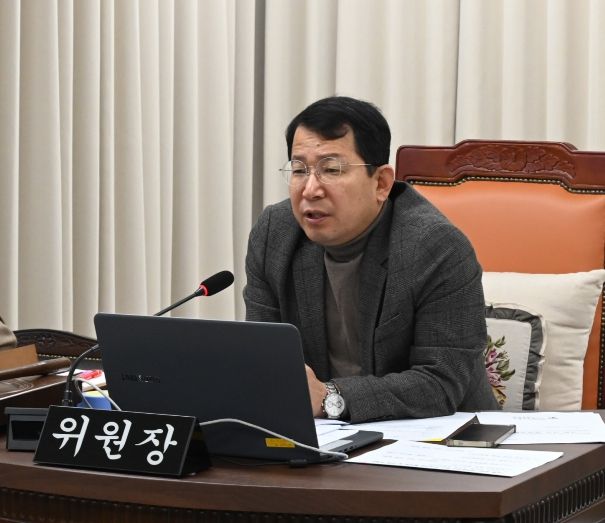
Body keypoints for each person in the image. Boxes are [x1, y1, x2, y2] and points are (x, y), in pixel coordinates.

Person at [244, 96, 498, 423]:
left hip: (443, 437)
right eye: (299, 170)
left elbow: (440, 383)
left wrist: (331, 397)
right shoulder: (275, 235)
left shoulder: (436, 247)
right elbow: (264, 356)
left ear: (381, 183)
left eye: (331, 169)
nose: (310, 189)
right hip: (322, 437)